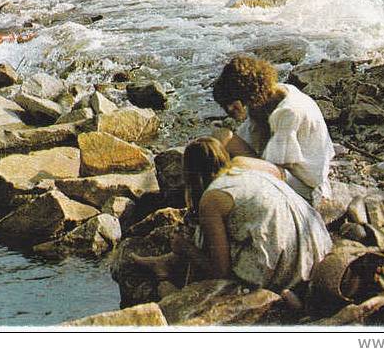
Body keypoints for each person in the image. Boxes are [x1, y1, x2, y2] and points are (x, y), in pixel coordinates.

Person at [130, 137, 332, 291]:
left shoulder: (212, 199)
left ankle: (169, 266)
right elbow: (280, 173)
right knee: (220, 230)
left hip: (291, 270)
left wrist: (186, 249)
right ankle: (168, 263)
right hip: (319, 246)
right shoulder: (244, 166)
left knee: (201, 235)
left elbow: (221, 271)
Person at [210, 55, 335, 205]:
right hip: (280, 169)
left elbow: (275, 163)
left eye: (232, 105)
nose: (230, 110)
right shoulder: (272, 94)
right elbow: (248, 138)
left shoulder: (289, 111)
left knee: (238, 163)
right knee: (222, 138)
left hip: (304, 186)